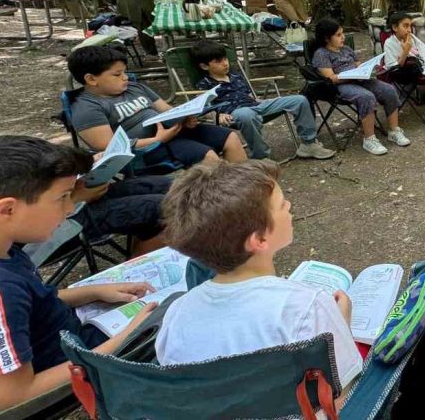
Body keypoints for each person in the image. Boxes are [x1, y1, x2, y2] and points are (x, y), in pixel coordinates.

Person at [0, 136, 158, 419]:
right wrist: (126, 337)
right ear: (6, 209)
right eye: (62, 198)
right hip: (63, 369)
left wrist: (92, 292)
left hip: (64, 337)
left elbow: (32, 301)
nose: (70, 209)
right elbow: (10, 401)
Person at [154, 161, 363, 400]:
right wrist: (342, 323)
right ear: (259, 239)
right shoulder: (306, 306)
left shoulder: (176, 315)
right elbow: (340, 395)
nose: (290, 206)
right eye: (282, 205)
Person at [0, 88, 167, 256]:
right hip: (38, 233)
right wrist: (76, 198)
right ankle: (142, 276)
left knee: (163, 186)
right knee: (162, 207)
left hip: (67, 198)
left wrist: (88, 167)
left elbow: (35, 172)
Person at [67, 45, 247, 168]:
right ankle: (228, 202)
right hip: (147, 149)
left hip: (172, 133)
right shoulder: (87, 107)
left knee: (230, 137)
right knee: (208, 157)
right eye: (117, 74)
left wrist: (184, 118)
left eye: (124, 72)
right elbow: (107, 146)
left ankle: (246, 190)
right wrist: (157, 140)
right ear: (91, 79)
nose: (125, 77)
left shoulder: (135, 88)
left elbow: (167, 110)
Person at [191, 41, 334, 161]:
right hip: (235, 113)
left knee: (300, 100)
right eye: (218, 61)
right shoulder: (205, 84)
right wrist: (218, 116)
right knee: (246, 115)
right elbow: (202, 107)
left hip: (256, 105)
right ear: (204, 66)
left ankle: (308, 144)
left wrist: (266, 101)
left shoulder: (235, 76)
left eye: (225, 59)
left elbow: (249, 96)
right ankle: (261, 158)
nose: (225, 63)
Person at [312, 18, 410, 156]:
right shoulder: (321, 54)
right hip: (340, 86)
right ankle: (369, 139)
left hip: (360, 79)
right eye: (338, 35)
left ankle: (394, 131)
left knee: (389, 90)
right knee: (366, 96)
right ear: (327, 38)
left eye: (342, 33)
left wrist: (369, 69)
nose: (343, 37)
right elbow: (331, 78)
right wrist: (350, 75)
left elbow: (359, 65)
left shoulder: (346, 49)